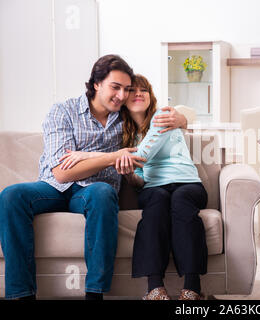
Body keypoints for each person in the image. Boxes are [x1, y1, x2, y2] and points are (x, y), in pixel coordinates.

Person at [0, 55, 187, 300]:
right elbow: (61, 172)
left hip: (94, 191)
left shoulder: (125, 116)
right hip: (53, 188)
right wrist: (112, 157)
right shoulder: (63, 111)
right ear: (97, 83)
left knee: (102, 192)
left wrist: (182, 119)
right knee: (11, 195)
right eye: (115, 87)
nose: (121, 95)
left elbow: (157, 116)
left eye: (126, 89)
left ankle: (95, 293)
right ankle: (21, 294)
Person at [62, 74, 208, 300]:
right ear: (123, 98)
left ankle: (192, 288)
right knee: (156, 203)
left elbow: (143, 155)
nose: (139, 94)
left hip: (186, 183)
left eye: (144, 90)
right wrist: (129, 175)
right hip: (154, 187)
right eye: (133, 91)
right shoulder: (124, 135)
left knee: (181, 201)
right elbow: (139, 176)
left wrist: (87, 154)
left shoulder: (162, 117)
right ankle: (154, 288)